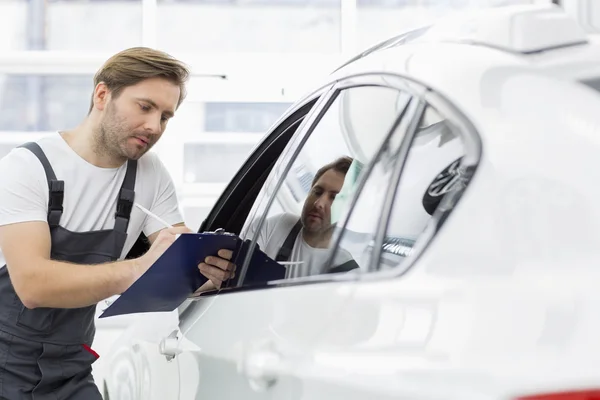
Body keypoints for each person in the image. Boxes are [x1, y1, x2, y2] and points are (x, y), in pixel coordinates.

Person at [0, 47, 235, 399]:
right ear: (102, 95)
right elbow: (33, 287)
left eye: (166, 117)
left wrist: (201, 276)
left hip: (70, 370)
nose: (155, 127)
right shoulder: (27, 167)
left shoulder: (150, 174)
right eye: (145, 107)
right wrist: (140, 269)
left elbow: (176, 260)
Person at [248, 156, 361, 279]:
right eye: (317, 192)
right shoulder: (277, 225)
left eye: (334, 197)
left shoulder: (348, 273)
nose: (318, 203)